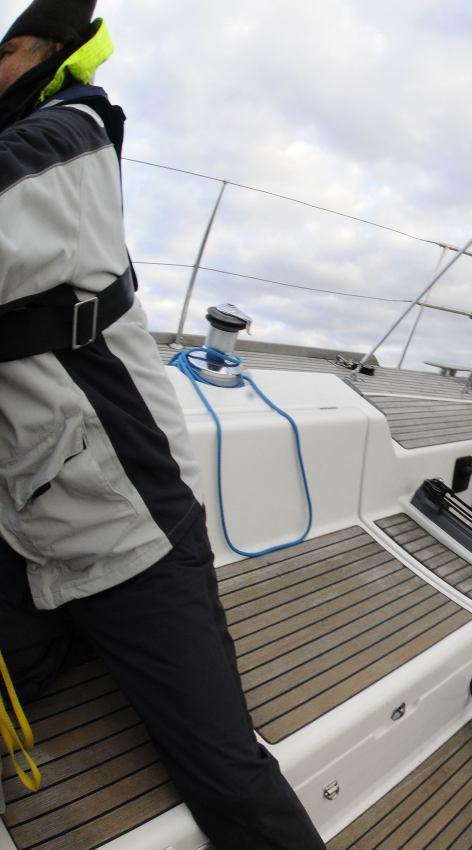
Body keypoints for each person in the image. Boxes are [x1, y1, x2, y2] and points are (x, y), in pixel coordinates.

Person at [0, 1, 324, 846]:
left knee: (225, 773)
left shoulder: (67, 138)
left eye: (5, 52)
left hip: (128, 531)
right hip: (29, 530)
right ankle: (76, 638)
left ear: (46, 57)